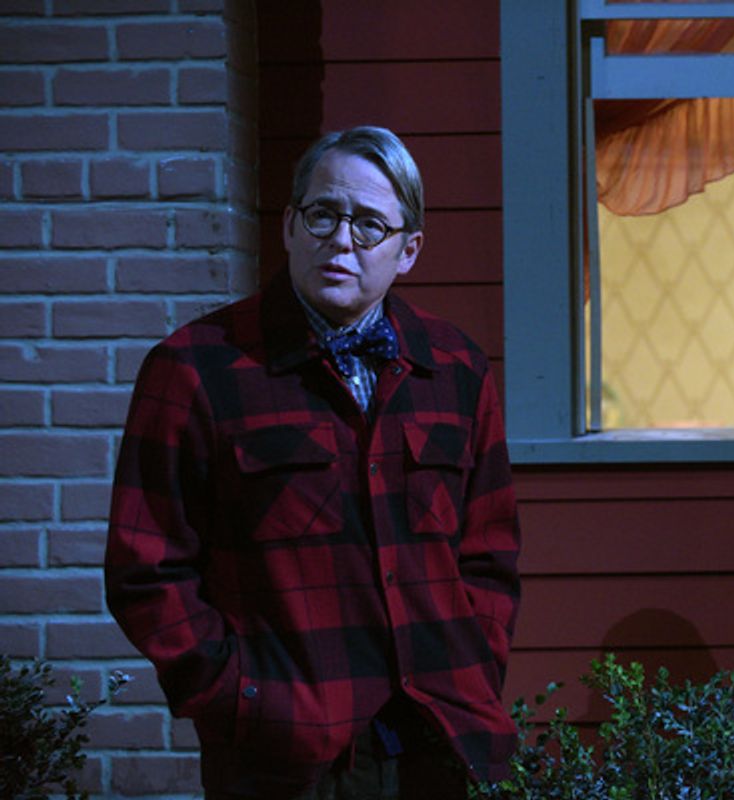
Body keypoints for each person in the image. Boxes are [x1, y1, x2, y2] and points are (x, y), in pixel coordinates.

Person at [105, 126, 521, 799]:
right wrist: (239, 699)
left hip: (439, 744)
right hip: (283, 760)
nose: (342, 239)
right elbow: (145, 570)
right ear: (291, 227)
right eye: (323, 214)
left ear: (408, 250)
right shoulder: (195, 369)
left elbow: (489, 553)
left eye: (368, 223)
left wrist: (471, 669)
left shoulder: (456, 370)